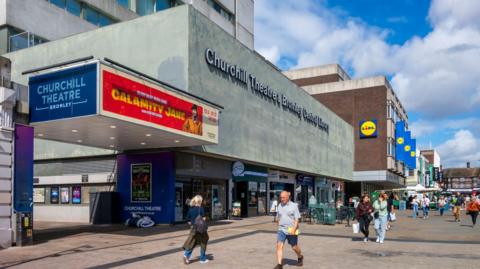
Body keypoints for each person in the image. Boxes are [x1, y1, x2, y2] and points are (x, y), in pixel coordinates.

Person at [274, 191, 304, 269]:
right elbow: (278, 216)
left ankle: (300, 256)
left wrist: (294, 229)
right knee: (279, 246)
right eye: (281, 197)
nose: (281, 199)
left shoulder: (294, 206)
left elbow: (297, 219)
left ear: (288, 197)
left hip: (291, 229)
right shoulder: (280, 205)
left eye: (283, 197)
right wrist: (278, 225)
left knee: (294, 247)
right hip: (282, 229)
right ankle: (279, 265)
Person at [182, 195, 209, 264]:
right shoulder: (201, 209)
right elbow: (204, 219)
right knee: (204, 242)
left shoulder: (191, 209)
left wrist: (192, 224)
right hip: (201, 229)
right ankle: (202, 259)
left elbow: (188, 220)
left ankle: (186, 255)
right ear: (200, 201)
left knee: (192, 242)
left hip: (193, 228)